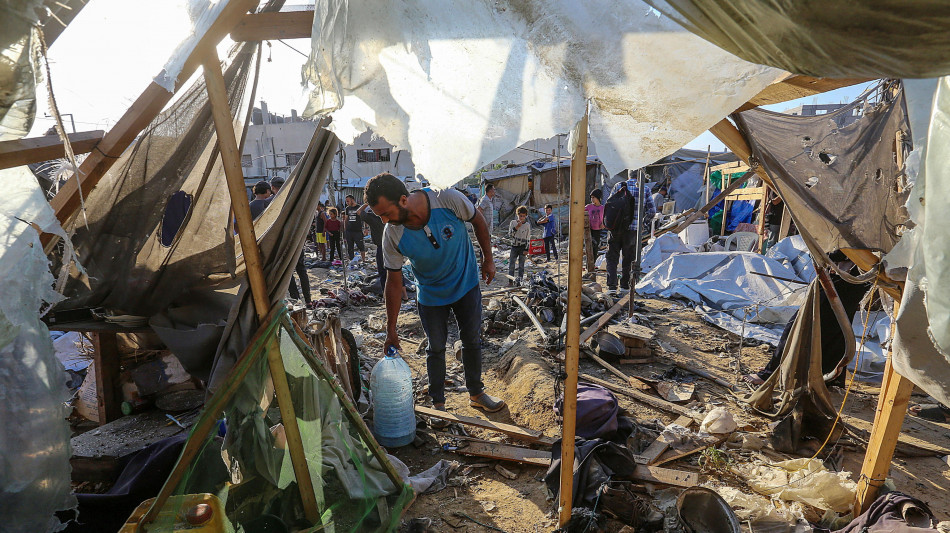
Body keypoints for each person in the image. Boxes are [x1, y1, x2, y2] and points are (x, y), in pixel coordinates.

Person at [365, 172, 504, 426]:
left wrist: (489, 259)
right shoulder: (392, 234)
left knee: (472, 339)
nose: (384, 220)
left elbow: (479, 221)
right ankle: (438, 404)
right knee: (436, 346)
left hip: (466, 283)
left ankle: (476, 393)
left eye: (386, 213)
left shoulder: (447, 198)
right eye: (379, 216)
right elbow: (393, 284)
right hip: (430, 293)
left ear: (404, 200)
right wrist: (391, 329)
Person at [605, 174, 656, 292]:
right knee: (628, 258)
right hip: (633, 230)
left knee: (612, 257)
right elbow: (652, 211)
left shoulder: (619, 186)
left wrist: (609, 224)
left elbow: (608, 206)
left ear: (628, 175)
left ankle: (612, 287)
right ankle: (625, 286)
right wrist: (643, 224)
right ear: (639, 176)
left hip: (615, 229)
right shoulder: (645, 188)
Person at [270, 177, 311, 306]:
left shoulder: (273, 202)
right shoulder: (297, 199)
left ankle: (296, 299)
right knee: (301, 270)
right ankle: (308, 300)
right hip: (298, 240)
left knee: (288, 272)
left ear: (272, 188)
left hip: (283, 242)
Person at [359, 203, 387, 292]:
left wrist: (367, 202)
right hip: (392, 246)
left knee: (383, 272)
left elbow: (359, 211)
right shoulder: (388, 214)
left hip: (381, 247)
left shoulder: (372, 218)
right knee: (395, 271)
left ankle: (385, 294)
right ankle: (403, 294)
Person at [507, 206, 531, 286]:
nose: (522, 218)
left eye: (524, 216)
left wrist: (527, 249)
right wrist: (517, 227)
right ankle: (510, 281)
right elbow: (510, 234)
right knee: (512, 265)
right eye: (520, 216)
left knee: (521, 266)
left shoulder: (527, 225)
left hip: (522, 247)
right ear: (517, 215)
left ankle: (519, 282)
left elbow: (528, 237)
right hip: (514, 246)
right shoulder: (513, 223)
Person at [343, 194, 366, 265]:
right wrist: (345, 230)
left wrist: (366, 228)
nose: (347, 203)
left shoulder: (359, 207)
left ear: (352, 200)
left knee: (361, 246)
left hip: (358, 231)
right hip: (349, 231)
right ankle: (352, 261)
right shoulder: (347, 208)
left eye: (348, 201)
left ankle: (364, 261)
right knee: (350, 247)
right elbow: (346, 220)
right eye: (346, 201)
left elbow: (364, 218)